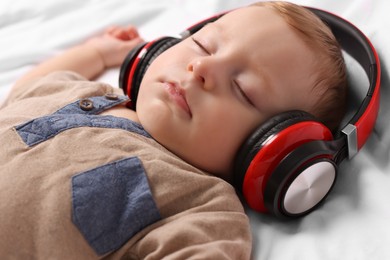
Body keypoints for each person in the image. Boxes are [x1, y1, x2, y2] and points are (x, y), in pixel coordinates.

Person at [0, 1, 347, 259]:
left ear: (271, 149)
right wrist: (97, 53)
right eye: (203, 45)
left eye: (243, 90)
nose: (201, 67)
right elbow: (35, 84)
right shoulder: (86, 92)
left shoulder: (199, 204)